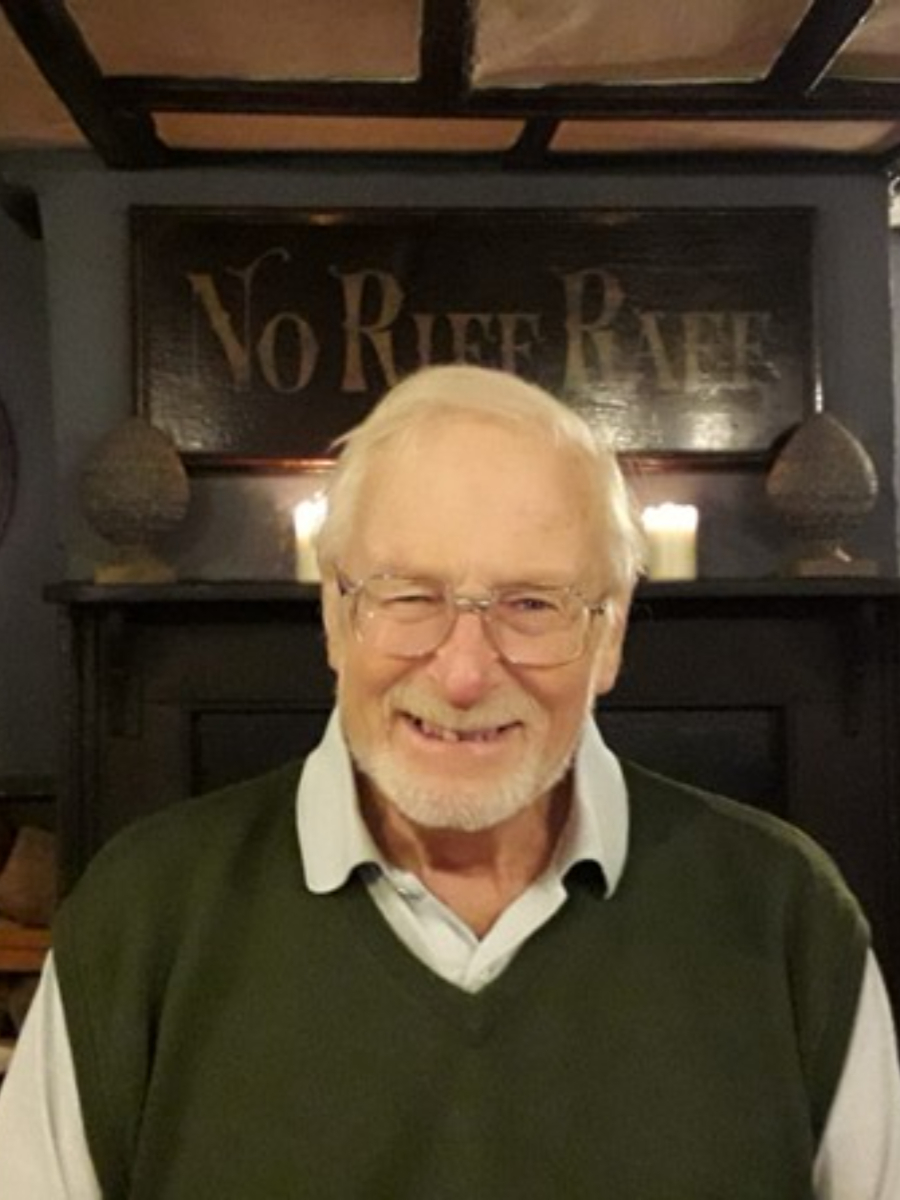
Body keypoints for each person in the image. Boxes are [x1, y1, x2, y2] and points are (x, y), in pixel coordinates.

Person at [0, 364, 898, 1198]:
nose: (464, 672)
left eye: (532, 604)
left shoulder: (787, 916)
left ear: (613, 632)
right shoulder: (142, 918)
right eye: (408, 596)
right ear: (334, 615)